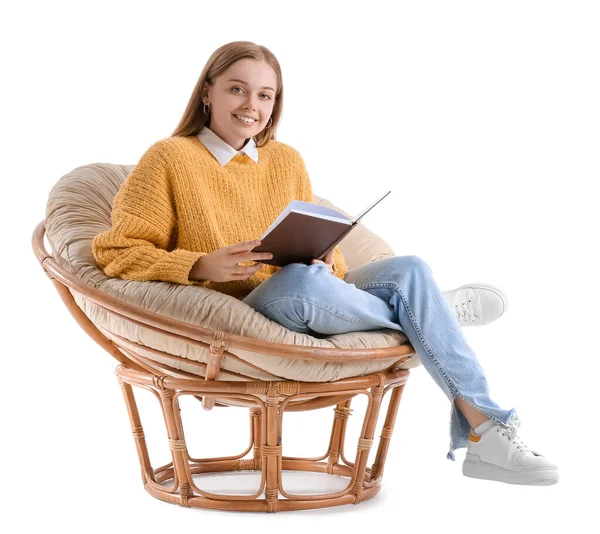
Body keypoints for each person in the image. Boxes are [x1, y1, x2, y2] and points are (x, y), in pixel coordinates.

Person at [92, 41, 558, 486]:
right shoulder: (168, 158)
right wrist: (199, 266)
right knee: (306, 282)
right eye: (237, 88)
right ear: (207, 92)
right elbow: (116, 252)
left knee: (409, 269)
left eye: (264, 94)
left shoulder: (286, 159)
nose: (250, 104)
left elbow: (324, 261)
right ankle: (435, 316)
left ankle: (487, 434)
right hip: (251, 310)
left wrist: (324, 254)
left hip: (310, 291)